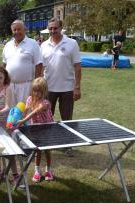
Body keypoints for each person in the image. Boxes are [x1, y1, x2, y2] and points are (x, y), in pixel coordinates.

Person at [41, 18, 81, 157]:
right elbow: (41, 67)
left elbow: (77, 66)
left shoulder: (72, 43)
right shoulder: (44, 45)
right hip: (48, 88)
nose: (52, 31)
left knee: (67, 118)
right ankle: (47, 142)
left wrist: (77, 87)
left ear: (61, 28)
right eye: (50, 28)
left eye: (55, 28)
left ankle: (67, 145)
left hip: (67, 88)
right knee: (46, 117)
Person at [17, 78, 54, 182]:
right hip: (35, 128)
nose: (37, 94)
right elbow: (26, 110)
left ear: (44, 92)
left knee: (47, 150)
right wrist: (20, 119)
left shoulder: (45, 103)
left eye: (40, 91)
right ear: (32, 90)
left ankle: (48, 170)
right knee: (37, 150)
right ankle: (37, 171)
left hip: (47, 129)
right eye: (35, 91)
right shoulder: (29, 99)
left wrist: (23, 120)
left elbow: (35, 112)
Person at [2, 20, 42, 105]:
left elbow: (39, 65)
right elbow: (4, 65)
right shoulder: (8, 45)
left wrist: (36, 85)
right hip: (10, 86)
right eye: (14, 30)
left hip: (26, 86)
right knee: (11, 112)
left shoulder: (33, 43)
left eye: (19, 29)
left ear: (24, 30)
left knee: (26, 113)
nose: (17, 32)